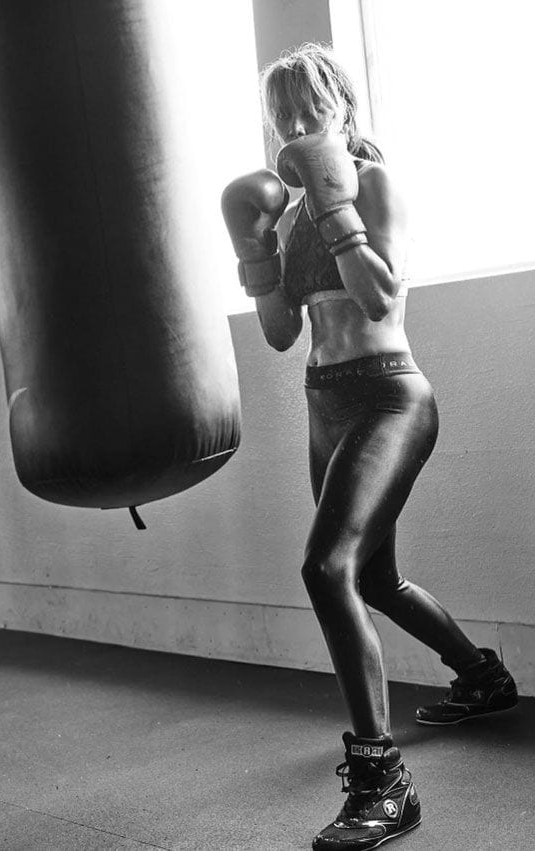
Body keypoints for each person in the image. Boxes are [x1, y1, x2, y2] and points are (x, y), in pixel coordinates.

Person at [221, 43, 518, 850]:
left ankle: (384, 781)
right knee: (374, 575)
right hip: (325, 402)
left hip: (391, 393)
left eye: (308, 107)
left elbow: (385, 292)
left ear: (342, 106)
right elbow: (284, 334)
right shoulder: (282, 212)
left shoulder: (374, 183)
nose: (294, 123)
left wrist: (333, 203)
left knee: (326, 568)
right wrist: (257, 252)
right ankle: (485, 676)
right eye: (281, 113)